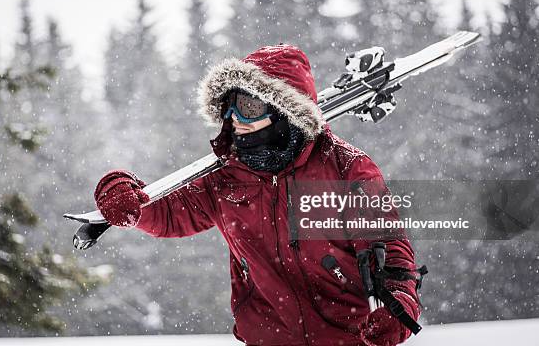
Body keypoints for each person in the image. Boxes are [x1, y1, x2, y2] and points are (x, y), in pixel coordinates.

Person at [94, 44, 421, 346]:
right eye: (230, 106)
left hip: (347, 338)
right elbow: (168, 214)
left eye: (248, 105)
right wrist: (120, 192)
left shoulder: (345, 168)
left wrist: (399, 307)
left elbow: (390, 250)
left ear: (284, 109)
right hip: (268, 338)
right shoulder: (224, 177)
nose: (236, 118)